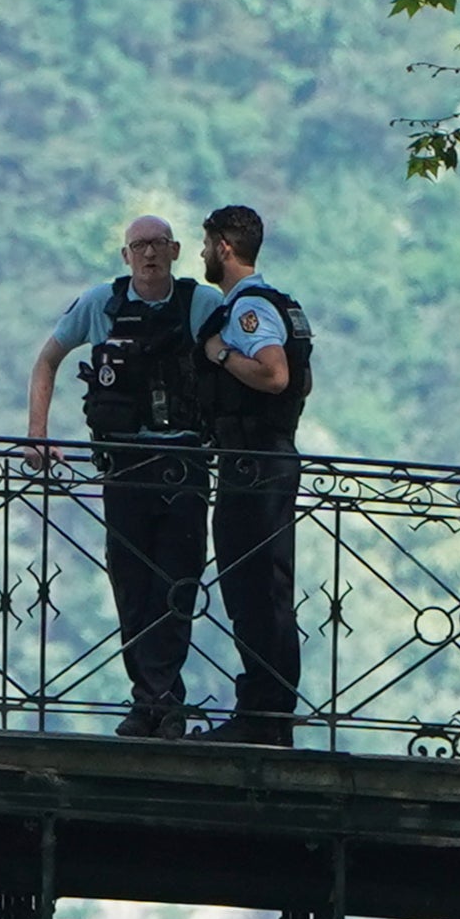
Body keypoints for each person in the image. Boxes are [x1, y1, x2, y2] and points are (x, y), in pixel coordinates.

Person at [27, 213, 214, 736]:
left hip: (184, 461)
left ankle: (159, 703)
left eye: (158, 244)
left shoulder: (202, 305)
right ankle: (153, 702)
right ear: (125, 255)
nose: (149, 254)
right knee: (131, 584)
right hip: (125, 464)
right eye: (139, 246)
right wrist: (37, 433)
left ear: (176, 252)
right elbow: (47, 360)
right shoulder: (99, 304)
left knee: (176, 583)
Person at [190, 203, 312, 745]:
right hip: (267, 460)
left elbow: (274, 374)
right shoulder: (274, 303)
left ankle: (262, 713)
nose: (200, 255)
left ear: (224, 247)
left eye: (205, 244)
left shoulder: (248, 311)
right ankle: (268, 712)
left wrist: (218, 355)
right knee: (264, 587)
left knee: (253, 588)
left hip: (255, 464)